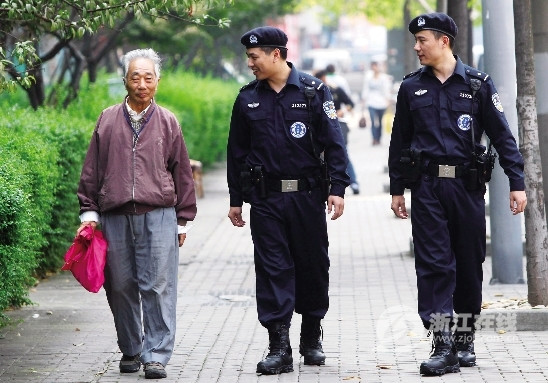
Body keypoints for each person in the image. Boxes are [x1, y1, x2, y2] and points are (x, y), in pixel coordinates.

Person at [388, 13, 527, 377]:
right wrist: (397, 188)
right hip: (428, 189)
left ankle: (464, 340)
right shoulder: (410, 88)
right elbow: (399, 141)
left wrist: (517, 181)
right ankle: (442, 343)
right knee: (434, 266)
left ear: (444, 41)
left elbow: (502, 135)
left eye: (423, 40)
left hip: (466, 188)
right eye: (415, 41)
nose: (417, 47)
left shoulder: (478, 85)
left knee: (468, 265)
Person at [227, 26, 350, 375]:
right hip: (265, 200)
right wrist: (237, 199)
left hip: (307, 197)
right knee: (271, 269)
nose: (250, 63)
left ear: (275, 54)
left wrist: (337, 188)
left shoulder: (313, 92)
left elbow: (334, 143)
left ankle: (311, 333)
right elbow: (236, 152)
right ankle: (278, 346)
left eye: (254, 57)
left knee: (312, 265)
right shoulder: (247, 97)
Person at [77, 48, 197, 380]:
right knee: (120, 284)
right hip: (114, 216)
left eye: (148, 77)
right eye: (135, 77)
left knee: (158, 286)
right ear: (124, 80)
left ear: (157, 81)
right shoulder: (107, 118)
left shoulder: (168, 120)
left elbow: (181, 172)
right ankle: (131, 348)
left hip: (159, 214)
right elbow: (92, 170)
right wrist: (89, 213)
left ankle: (156, 354)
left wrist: (183, 219)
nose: (141, 83)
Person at [316, 69, 360, 194]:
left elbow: (350, 103)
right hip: (321, 128)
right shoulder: (312, 91)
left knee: (342, 153)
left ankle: (354, 182)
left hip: (338, 124)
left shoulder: (335, 90)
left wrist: (342, 111)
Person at [362, 60, 392, 145]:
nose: (374, 68)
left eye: (376, 66)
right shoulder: (368, 76)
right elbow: (366, 88)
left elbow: (386, 89)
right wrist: (363, 100)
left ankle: (378, 138)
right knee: (372, 121)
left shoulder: (384, 77)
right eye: (373, 66)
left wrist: (388, 100)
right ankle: (374, 138)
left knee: (379, 121)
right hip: (371, 101)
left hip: (382, 102)